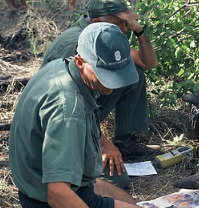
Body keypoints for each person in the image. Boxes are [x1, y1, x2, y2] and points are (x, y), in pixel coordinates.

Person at [9, 22, 177, 208]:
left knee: (130, 203)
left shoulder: (62, 66)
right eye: (104, 73)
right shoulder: (68, 111)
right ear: (80, 62)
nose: (114, 83)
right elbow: (57, 194)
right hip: (49, 202)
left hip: (41, 182)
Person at [40, 0, 159, 188]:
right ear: (97, 21)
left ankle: (124, 141)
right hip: (62, 121)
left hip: (82, 108)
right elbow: (71, 104)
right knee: (118, 180)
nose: (124, 29)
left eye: (125, 23)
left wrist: (140, 31)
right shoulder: (75, 43)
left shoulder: (103, 34)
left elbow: (149, 62)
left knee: (134, 74)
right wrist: (102, 143)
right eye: (120, 23)